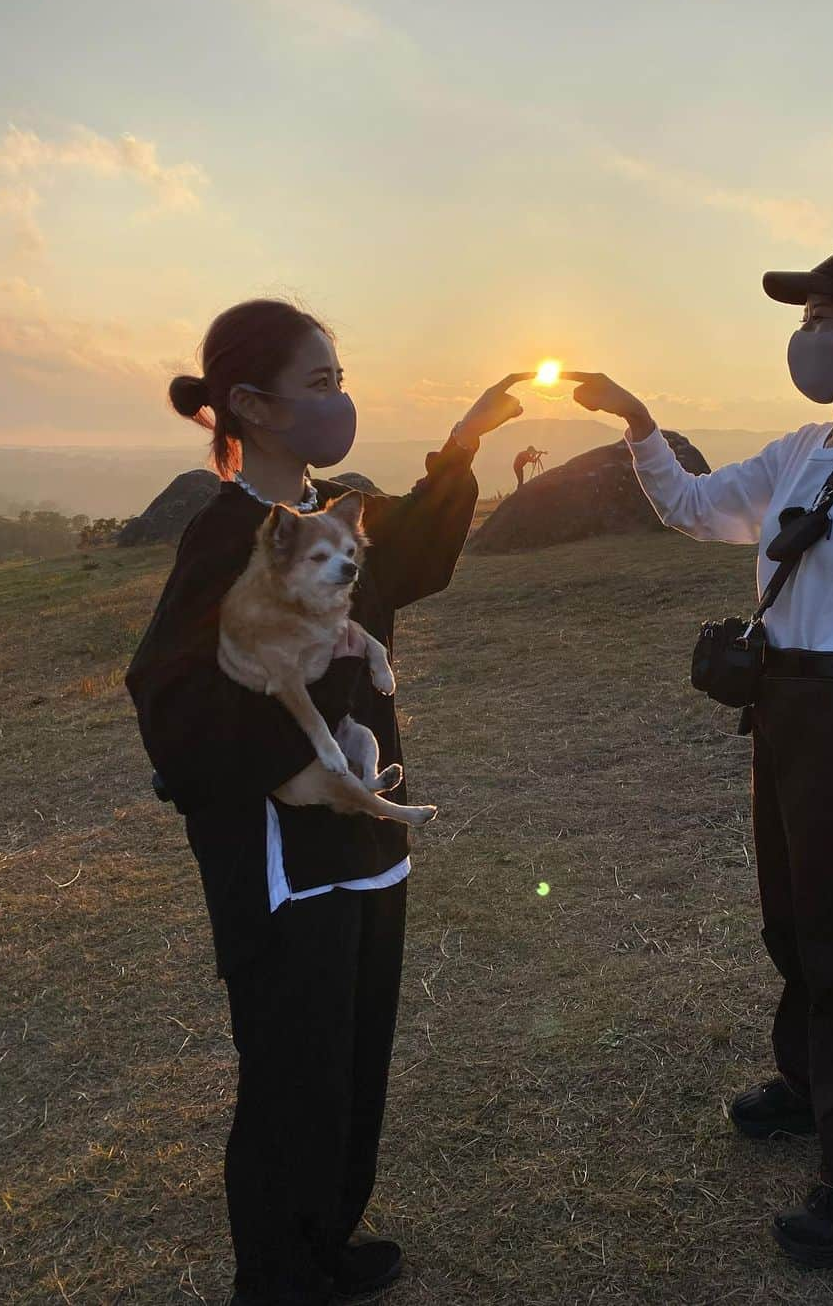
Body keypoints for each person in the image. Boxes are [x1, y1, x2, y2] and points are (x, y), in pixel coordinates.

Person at [125, 299, 530, 1306]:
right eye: (320, 384)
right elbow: (170, 699)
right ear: (252, 406)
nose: (340, 399)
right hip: (278, 857)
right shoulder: (230, 537)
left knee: (354, 1052)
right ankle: (277, 1275)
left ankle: (324, 1238)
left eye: (342, 379)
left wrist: (465, 445)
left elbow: (415, 555)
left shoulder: (339, 509)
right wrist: (289, 742)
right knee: (292, 1068)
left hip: (363, 833)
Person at [564, 243, 833, 1268]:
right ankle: (809, 1083)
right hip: (783, 706)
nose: (804, 334)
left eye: (822, 315)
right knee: (794, 919)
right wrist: (640, 424)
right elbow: (694, 510)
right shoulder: (801, 447)